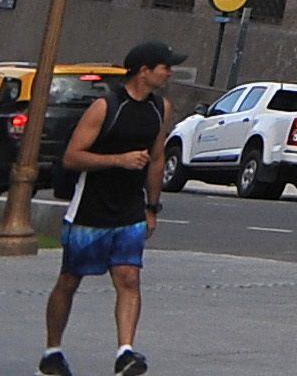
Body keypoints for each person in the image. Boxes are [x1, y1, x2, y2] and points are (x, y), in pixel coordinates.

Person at [41, 39, 177, 376]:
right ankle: (52, 353)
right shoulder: (106, 106)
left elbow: (157, 158)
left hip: (130, 208)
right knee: (70, 280)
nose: (170, 72)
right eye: (165, 67)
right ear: (144, 71)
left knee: (129, 277)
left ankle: (125, 353)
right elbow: (72, 156)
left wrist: (152, 206)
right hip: (91, 208)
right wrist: (119, 160)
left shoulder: (161, 108)